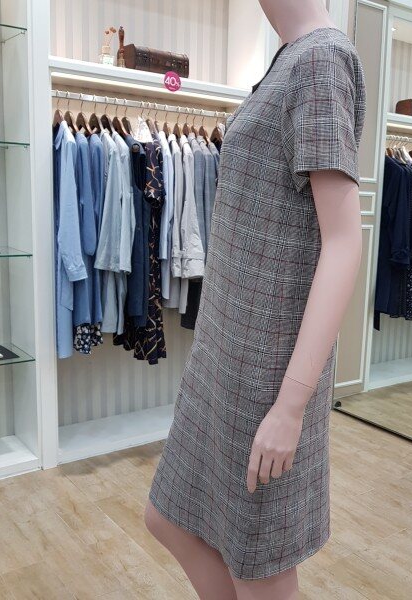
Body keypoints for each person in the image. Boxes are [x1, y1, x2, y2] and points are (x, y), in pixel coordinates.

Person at [144, 1, 366, 598]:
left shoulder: (321, 60)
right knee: (170, 517)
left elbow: (344, 242)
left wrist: (290, 406)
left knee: (257, 562)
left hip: (268, 371)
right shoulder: (289, 58)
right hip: (224, 358)